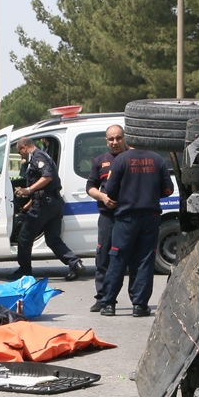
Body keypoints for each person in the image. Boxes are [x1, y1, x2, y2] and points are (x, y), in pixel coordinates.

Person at [97, 146, 174, 317]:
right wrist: (150, 193)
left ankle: (108, 303)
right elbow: (168, 189)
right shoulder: (157, 159)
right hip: (150, 216)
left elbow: (110, 189)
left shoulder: (121, 160)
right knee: (145, 260)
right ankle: (140, 305)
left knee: (118, 258)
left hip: (126, 218)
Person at [9, 136, 83, 281]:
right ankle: (75, 264)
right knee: (53, 239)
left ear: (24, 147)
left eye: (20, 152)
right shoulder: (41, 156)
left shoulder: (38, 157)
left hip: (44, 205)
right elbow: (44, 186)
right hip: (52, 203)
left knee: (24, 237)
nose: (21, 155)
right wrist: (28, 204)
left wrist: (28, 189)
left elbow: (47, 177)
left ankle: (24, 271)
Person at [85, 124, 128, 312]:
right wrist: (103, 197)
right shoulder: (100, 160)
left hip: (128, 216)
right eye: (111, 139)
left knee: (130, 259)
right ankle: (102, 298)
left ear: (124, 138)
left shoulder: (131, 159)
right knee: (103, 258)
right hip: (107, 216)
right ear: (106, 141)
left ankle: (138, 302)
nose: (115, 142)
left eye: (118, 138)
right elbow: (90, 187)